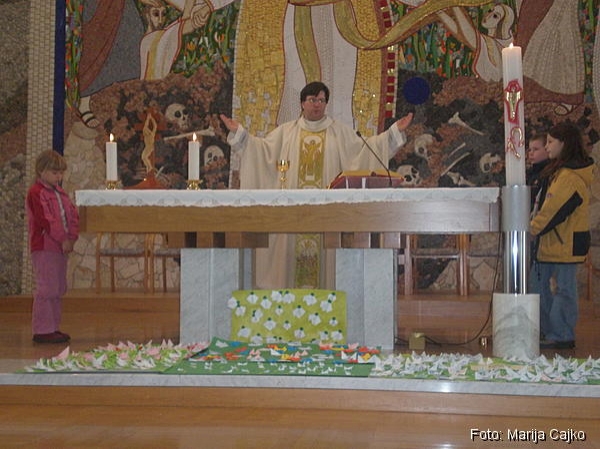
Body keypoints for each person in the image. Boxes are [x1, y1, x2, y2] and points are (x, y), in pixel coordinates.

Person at [220, 81, 413, 289]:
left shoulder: (340, 132)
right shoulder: (286, 132)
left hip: (327, 216)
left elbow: (365, 151)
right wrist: (241, 135)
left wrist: (393, 133)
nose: (317, 105)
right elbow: (261, 151)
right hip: (294, 215)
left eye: (321, 100)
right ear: (302, 103)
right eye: (312, 100)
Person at [529, 122, 594, 350]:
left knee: (564, 289)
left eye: (550, 142)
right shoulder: (559, 171)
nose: (547, 147)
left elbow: (553, 211)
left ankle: (562, 334)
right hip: (553, 241)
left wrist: (532, 229)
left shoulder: (570, 177)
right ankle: (550, 330)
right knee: (539, 286)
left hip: (565, 241)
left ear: (564, 144)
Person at [26, 150, 80, 343]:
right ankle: (42, 330)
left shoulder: (60, 193)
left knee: (58, 287)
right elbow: (46, 220)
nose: (59, 177)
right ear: (41, 171)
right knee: (46, 287)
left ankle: (53, 327)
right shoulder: (36, 193)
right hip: (45, 246)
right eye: (54, 173)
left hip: (60, 247)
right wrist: (62, 238)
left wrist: (71, 237)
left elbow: (72, 215)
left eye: (61, 173)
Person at [526, 132, 549, 212]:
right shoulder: (529, 173)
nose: (531, 153)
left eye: (536, 149)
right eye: (530, 150)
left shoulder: (549, 173)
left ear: (547, 150)